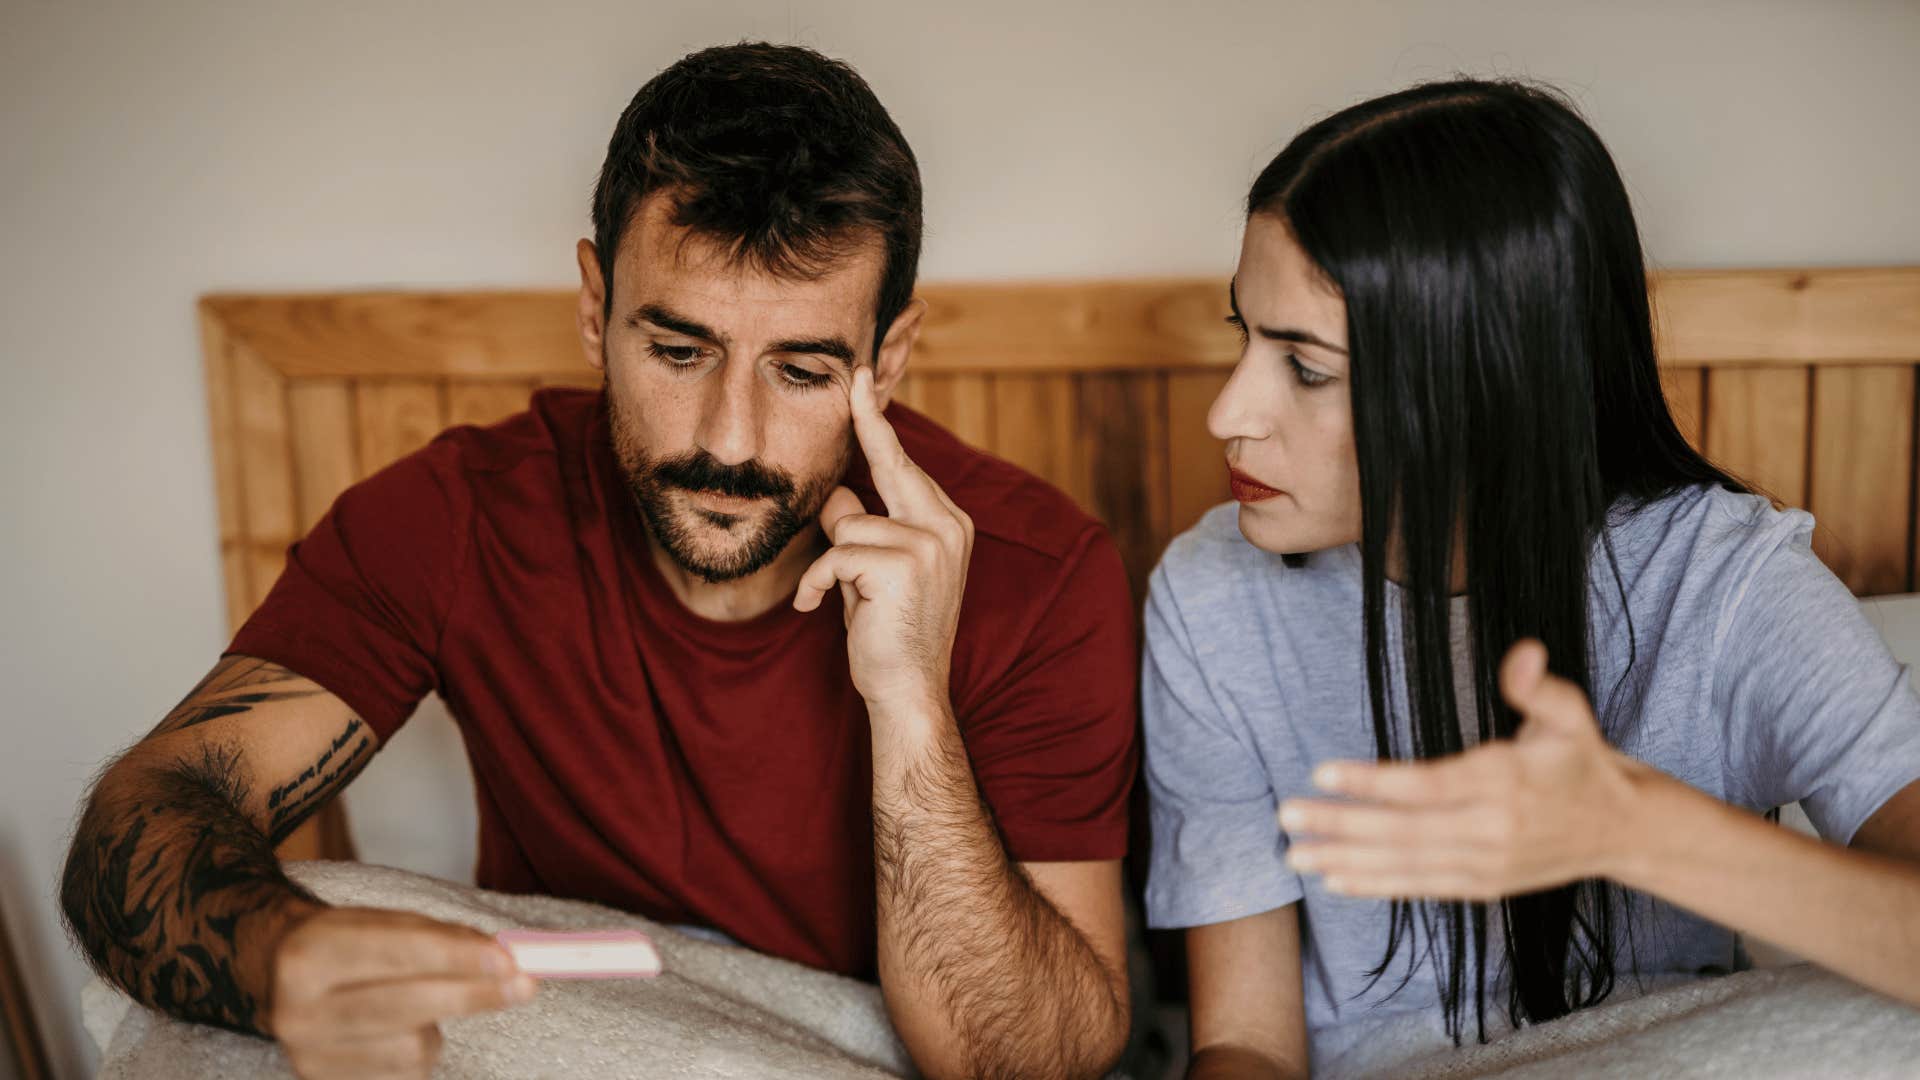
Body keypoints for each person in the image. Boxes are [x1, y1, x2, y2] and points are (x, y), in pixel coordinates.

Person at [63, 42, 1136, 1080]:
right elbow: (154, 807)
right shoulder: (461, 514)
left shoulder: (1035, 571)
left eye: (802, 372)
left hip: (856, 1045)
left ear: (886, 360)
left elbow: (1032, 1065)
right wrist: (278, 963)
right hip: (572, 1023)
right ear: (594, 308)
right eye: (678, 351)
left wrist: (910, 702)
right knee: (212, 990)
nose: (728, 439)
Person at [1142, 79, 1920, 1079]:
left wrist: (1631, 828)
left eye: (1306, 367)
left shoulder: (1725, 583)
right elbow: (1246, 1041)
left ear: (1481, 381)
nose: (1226, 413)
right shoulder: (1214, 595)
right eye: (1242, 334)